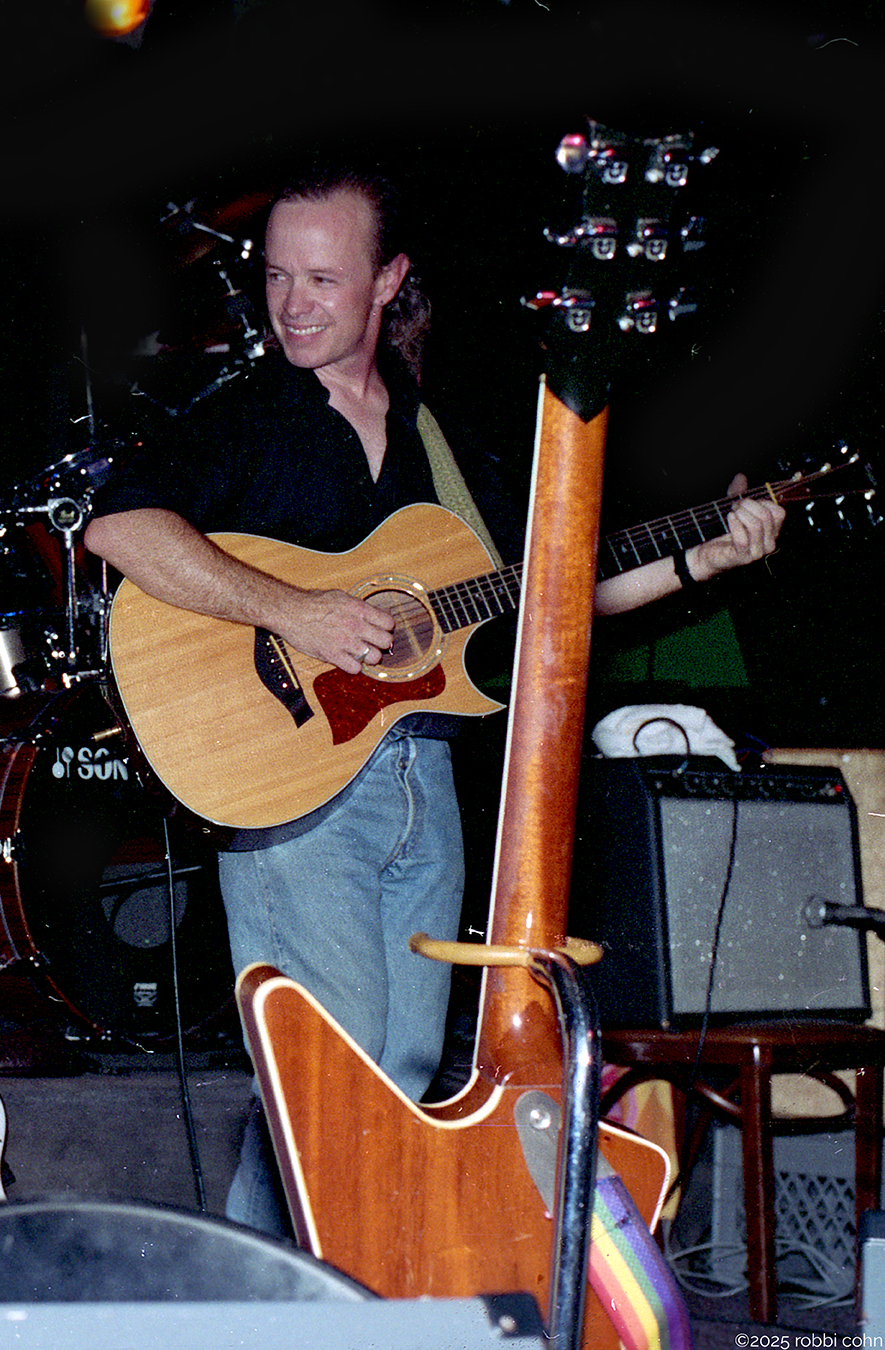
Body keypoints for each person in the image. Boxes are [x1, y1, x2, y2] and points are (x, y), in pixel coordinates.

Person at [81, 166, 785, 1234]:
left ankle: (294, 1291)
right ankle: (280, 1302)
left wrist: (701, 559)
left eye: (322, 279)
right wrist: (297, 611)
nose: (291, 304)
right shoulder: (244, 418)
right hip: (293, 790)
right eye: (276, 277)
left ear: (386, 280)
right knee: (330, 1088)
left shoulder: (434, 439)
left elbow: (551, 592)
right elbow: (119, 528)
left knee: (398, 1076)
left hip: (423, 781)